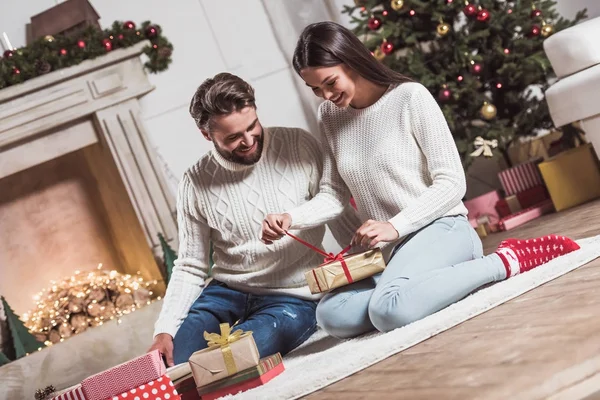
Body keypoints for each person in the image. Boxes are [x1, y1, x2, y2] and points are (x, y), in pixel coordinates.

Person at [261, 21, 580, 339]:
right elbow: (334, 192)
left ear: (351, 60)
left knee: (388, 311)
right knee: (331, 315)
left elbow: (453, 182)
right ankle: (415, 289)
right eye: (316, 89)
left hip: (441, 228)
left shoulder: (410, 98)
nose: (326, 95)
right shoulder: (329, 116)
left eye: (330, 83)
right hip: (389, 248)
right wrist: (293, 217)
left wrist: (395, 225)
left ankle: (504, 260)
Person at [149, 72, 361, 365]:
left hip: (294, 296)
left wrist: (367, 261)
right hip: (226, 291)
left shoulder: (297, 144)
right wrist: (164, 330)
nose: (248, 140)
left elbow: (336, 203)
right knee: (173, 362)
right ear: (207, 134)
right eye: (234, 137)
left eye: (253, 126)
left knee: (227, 360)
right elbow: (190, 265)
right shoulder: (195, 181)